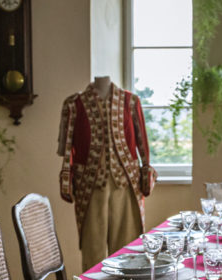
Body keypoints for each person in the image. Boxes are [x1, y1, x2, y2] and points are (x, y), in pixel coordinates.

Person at [58, 76, 156, 268]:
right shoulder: (74, 104)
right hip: (88, 184)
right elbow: (67, 147)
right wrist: (66, 173)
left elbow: (142, 141)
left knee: (127, 248)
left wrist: (146, 167)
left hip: (127, 183)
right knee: (92, 249)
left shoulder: (131, 101)